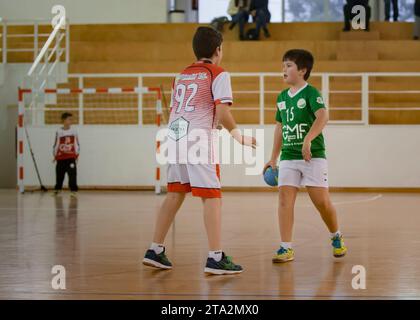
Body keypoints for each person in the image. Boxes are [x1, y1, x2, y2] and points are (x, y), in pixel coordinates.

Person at [142, 26, 257, 275]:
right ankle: (215, 257)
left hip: (174, 136)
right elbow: (223, 111)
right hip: (197, 140)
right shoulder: (218, 73)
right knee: (212, 196)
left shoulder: (181, 75)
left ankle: (155, 249)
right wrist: (239, 136)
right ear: (218, 50)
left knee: (174, 193)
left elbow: (189, 109)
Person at [264, 49, 347, 263]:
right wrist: (273, 158)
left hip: (313, 156)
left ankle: (336, 235)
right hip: (289, 157)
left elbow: (323, 116)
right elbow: (279, 128)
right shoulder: (282, 97)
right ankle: (286, 247)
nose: (284, 69)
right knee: (284, 199)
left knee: (321, 201)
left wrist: (308, 139)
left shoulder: (311, 93)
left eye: (289, 65)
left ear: (302, 70)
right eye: (283, 65)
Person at [53, 112, 80, 197]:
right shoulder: (58, 131)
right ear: (64, 120)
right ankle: (58, 189)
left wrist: (76, 155)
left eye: (71, 119)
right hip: (61, 157)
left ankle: (74, 191)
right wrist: (55, 155)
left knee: (72, 174)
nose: (71, 121)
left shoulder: (74, 131)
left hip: (71, 157)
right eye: (69, 119)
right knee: (59, 174)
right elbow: (56, 144)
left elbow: (77, 144)